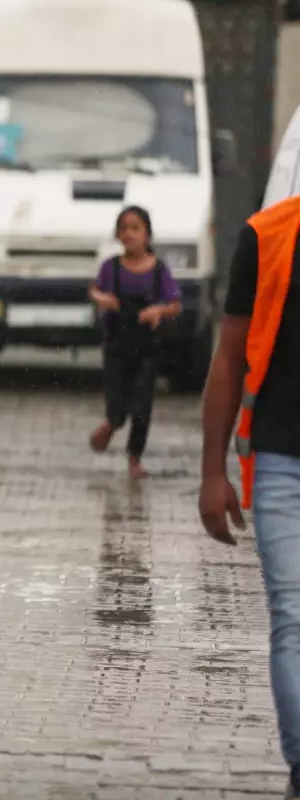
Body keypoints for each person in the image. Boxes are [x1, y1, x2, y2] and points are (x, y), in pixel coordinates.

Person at [199, 195, 300, 798]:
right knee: (294, 616)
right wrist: (213, 472)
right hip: (283, 462)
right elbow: (231, 356)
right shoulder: (266, 237)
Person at [87, 206, 182, 478]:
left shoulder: (159, 270)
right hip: (117, 345)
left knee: (142, 405)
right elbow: (94, 290)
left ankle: (134, 459)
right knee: (117, 401)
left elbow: (175, 304)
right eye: (124, 229)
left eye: (136, 228)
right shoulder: (111, 267)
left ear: (148, 234)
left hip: (147, 349)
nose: (129, 234)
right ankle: (111, 424)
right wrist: (102, 299)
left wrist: (158, 311)